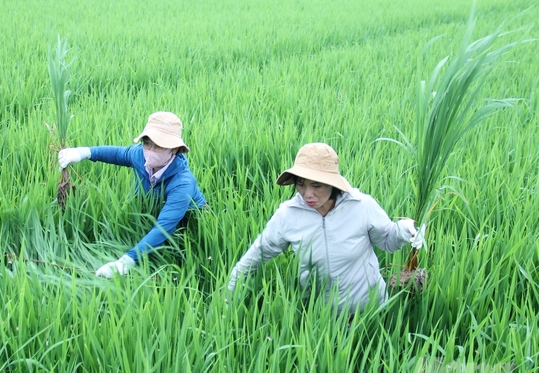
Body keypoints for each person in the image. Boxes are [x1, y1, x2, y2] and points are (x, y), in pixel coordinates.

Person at [227, 143, 425, 315]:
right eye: (301, 184)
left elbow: (387, 241)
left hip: (370, 311)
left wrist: (403, 230)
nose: (307, 194)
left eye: (317, 185)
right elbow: (255, 257)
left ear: (332, 183)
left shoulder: (361, 206)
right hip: (320, 317)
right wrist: (227, 296)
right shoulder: (288, 215)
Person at [58, 111, 206, 278]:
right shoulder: (139, 155)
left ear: (175, 150)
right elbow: (116, 154)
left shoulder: (182, 183)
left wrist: (127, 261)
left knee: (184, 248)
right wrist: (83, 152)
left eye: (159, 146)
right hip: (152, 210)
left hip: (190, 221)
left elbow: (164, 228)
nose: (150, 150)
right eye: (147, 143)